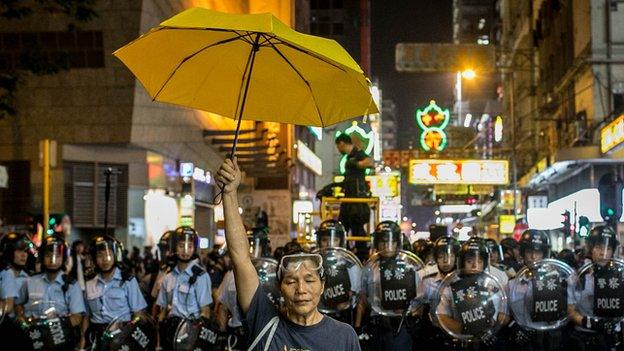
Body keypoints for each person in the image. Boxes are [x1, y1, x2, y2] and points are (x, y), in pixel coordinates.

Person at [216, 158, 360, 350]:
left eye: (309, 280)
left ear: (322, 285)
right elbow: (241, 259)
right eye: (291, 281)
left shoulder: (344, 336)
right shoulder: (264, 322)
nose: (301, 289)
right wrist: (230, 193)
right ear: (279, 287)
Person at [355, 221, 420, 351]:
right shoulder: (370, 267)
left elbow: (419, 298)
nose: (386, 245)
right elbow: (362, 298)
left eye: (391, 241)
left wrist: (408, 311)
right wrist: (357, 327)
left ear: (397, 242)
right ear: (377, 243)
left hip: (399, 326)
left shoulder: (408, 267)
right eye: (382, 241)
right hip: (376, 326)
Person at [435, 237, 508, 349]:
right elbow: (442, 316)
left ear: (484, 264)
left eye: (479, 261)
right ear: (462, 262)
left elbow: (505, 314)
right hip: (462, 342)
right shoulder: (451, 287)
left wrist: (492, 329)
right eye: (470, 261)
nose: (474, 266)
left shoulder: (495, 284)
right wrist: (466, 328)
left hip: (490, 341)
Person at [17, 234, 85, 349]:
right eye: (48, 255)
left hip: (60, 340)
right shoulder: (30, 281)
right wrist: (23, 322)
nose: (53, 260)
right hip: (33, 338)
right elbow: (18, 305)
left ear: (63, 258)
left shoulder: (71, 285)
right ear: (42, 257)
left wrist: (58, 326)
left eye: (57, 255)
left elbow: (77, 317)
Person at [506, 229, 568, 351]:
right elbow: (506, 314)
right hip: (523, 343)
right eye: (529, 252)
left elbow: (565, 312)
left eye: (538, 252)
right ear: (523, 253)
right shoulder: (512, 283)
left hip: (548, 340)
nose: (533, 257)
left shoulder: (556, 281)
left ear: (544, 254)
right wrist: (513, 328)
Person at [83, 235, 148, 350]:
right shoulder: (89, 283)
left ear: (116, 256)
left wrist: (128, 333)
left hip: (122, 336)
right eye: (100, 255)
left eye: (109, 255)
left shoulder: (127, 280)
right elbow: (86, 317)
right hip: (96, 338)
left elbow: (138, 314)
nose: (105, 260)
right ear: (94, 259)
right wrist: (82, 343)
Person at [156, 226, 213, 351]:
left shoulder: (201, 276)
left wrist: (198, 338)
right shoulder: (168, 277)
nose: (185, 251)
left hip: (191, 332)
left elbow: (205, 311)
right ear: (174, 247)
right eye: (181, 246)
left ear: (195, 249)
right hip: (170, 331)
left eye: (190, 246)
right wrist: (158, 344)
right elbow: (162, 312)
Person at [567, 225, 622, 351]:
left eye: (608, 248)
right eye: (599, 247)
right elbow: (569, 309)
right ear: (591, 249)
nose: (603, 253)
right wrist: (589, 322)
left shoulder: (620, 275)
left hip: (613, 337)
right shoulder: (578, 276)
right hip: (584, 337)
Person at [314, 219, 362, 324]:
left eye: (334, 240)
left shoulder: (351, 264)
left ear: (341, 241)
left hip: (344, 316)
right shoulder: (313, 264)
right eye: (325, 240)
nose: (329, 244)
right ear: (319, 241)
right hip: (317, 315)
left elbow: (357, 295)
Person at [335, 133, 374, 261]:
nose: (338, 150)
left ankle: (361, 256)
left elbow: (370, 162)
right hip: (348, 199)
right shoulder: (349, 157)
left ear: (342, 143)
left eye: (338, 146)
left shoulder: (357, 153)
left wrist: (357, 164)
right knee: (342, 227)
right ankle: (344, 253)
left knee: (357, 228)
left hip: (356, 200)